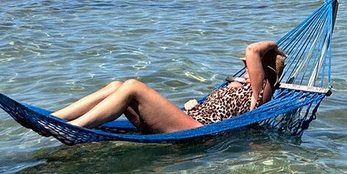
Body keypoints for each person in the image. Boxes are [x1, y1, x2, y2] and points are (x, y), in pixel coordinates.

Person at [53, 41, 286, 133]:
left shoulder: (261, 91)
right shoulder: (243, 84)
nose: (246, 68)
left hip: (196, 131)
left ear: (264, 71)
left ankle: (74, 127)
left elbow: (252, 49)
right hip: (188, 118)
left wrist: (274, 45)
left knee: (133, 87)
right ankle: (57, 118)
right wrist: (196, 106)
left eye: (250, 67)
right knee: (118, 86)